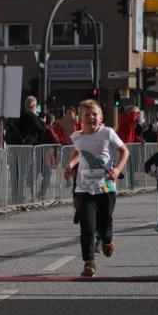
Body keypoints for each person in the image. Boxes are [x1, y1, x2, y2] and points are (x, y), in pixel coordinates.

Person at [62, 99, 129, 278]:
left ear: (101, 117)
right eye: (87, 115)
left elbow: (124, 151)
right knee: (87, 227)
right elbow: (78, 153)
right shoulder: (76, 136)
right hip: (84, 187)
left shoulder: (107, 133)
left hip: (106, 187)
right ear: (80, 119)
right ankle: (88, 262)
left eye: (94, 114)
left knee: (105, 222)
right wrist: (70, 164)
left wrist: (117, 169)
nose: (91, 117)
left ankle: (107, 241)